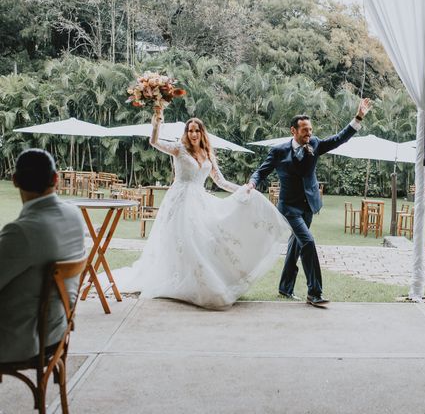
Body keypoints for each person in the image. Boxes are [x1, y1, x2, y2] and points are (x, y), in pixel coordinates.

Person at [114, 106, 290, 310]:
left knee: (205, 241)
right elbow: (154, 142)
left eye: (197, 130)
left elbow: (220, 181)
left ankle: (201, 282)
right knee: (184, 242)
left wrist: (244, 189)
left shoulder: (208, 154)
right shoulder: (178, 149)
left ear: (202, 133)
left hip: (200, 201)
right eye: (190, 131)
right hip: (179, 201)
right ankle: (181, 281)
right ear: (186, 134)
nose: (194, 134)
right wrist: (157, 123)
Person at [248, 98, 373, 307]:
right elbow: (261, 171)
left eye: (311, 130)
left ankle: (284, 288)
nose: (309, 134)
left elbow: (338, 139)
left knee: (295, 246)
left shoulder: (314, 144)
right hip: (288, 208)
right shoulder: (278, 151)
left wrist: (358, 117)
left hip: (308, 206)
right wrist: (252, 183)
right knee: (307, 241)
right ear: (293, 131)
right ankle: (314, 293)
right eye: (305, 130)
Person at [0, 149, 85, 363]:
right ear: (56, 179)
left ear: (15, 181)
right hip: (57, 332)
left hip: (23, 339)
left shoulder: (22, 232)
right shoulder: (74, 214)